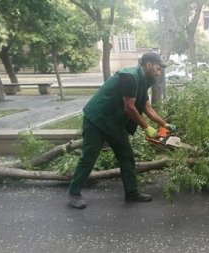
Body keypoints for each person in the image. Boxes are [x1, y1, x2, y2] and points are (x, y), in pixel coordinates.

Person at [67, 52, 176, 209]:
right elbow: (130, 107)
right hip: (97, 120)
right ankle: (74, 192)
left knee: (126, 156)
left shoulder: (144, 81)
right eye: (157, 69)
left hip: (115, 123)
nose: (159, 73)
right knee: (89, 157)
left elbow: (146, 107)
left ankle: (131, 193)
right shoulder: (130, 76)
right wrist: (147, 128)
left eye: (160, 70)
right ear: (148, 65)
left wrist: (164, 124)